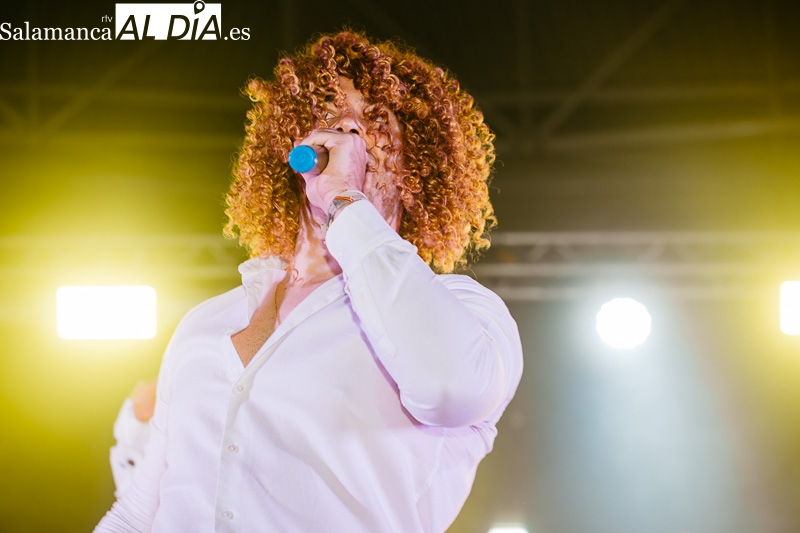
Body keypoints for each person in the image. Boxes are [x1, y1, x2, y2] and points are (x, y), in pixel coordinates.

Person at [95, 30, 523, 532]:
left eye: (375, 121)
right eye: (327, 113)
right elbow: (138, 513)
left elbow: (451, 390)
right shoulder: (206, 322)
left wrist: (345, 201)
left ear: (419, 165)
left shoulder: (465, 312)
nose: (345, 127)